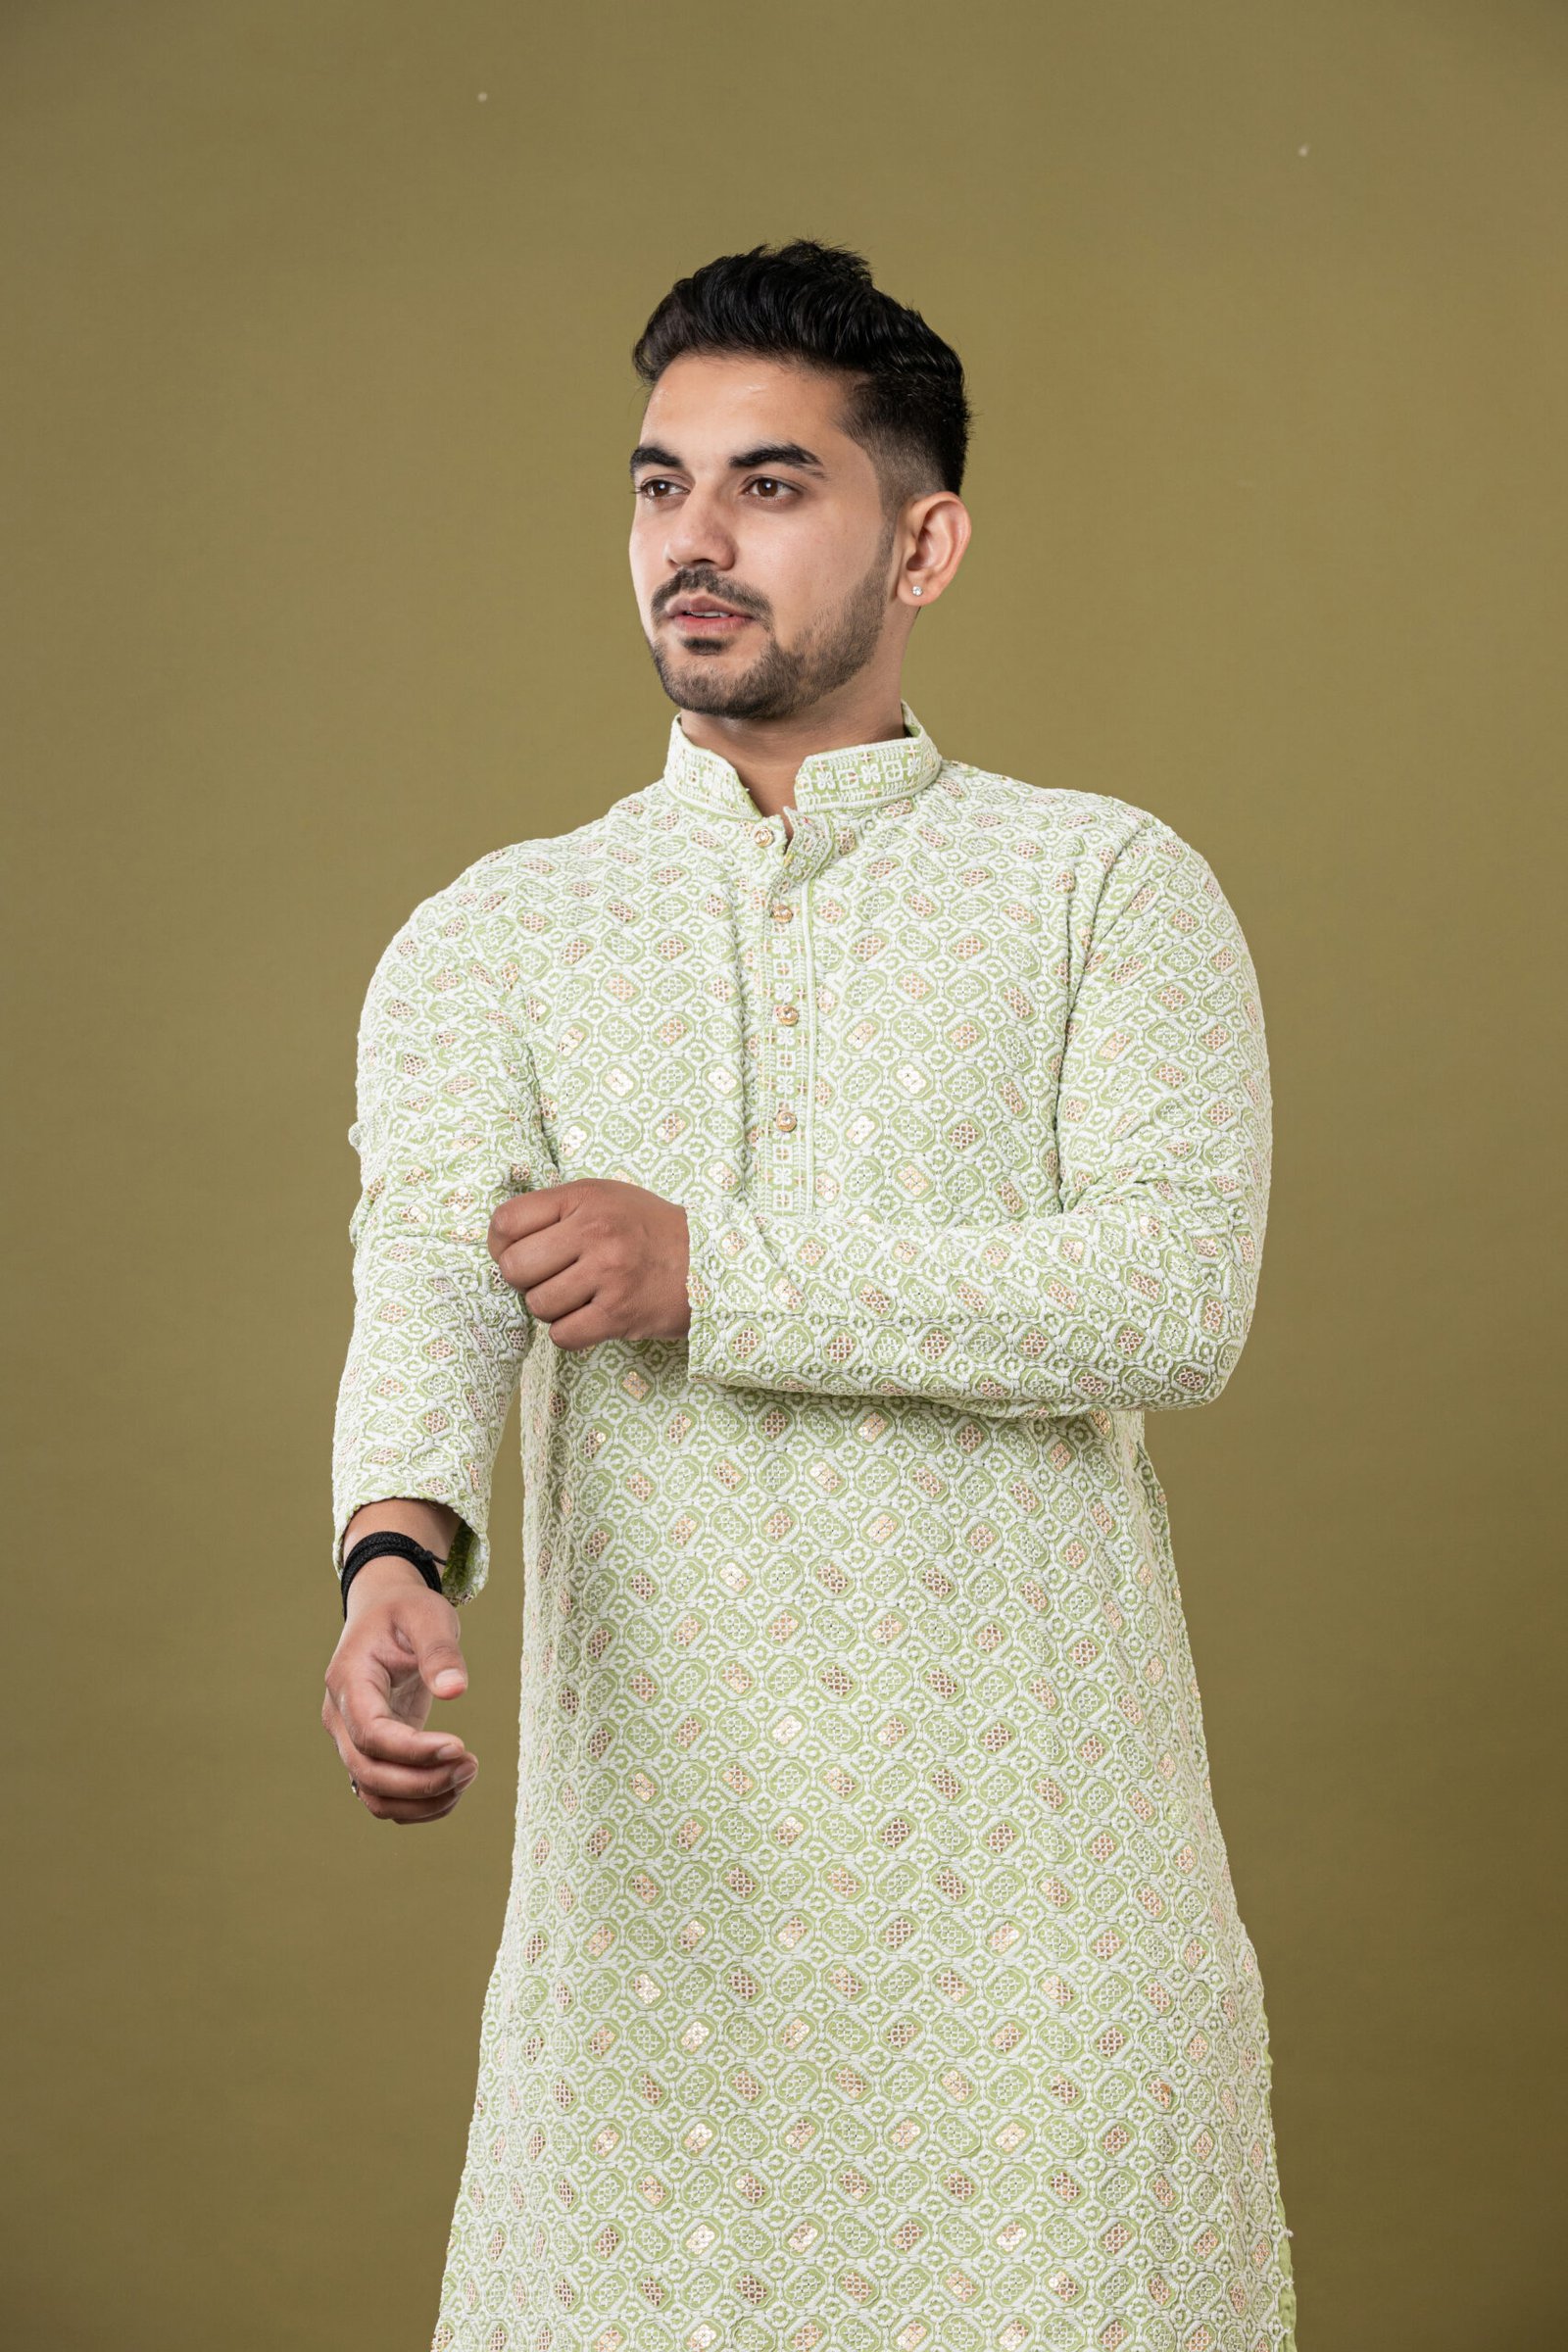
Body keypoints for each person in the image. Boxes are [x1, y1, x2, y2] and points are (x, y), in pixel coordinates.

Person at [322, 237, 1297, 2352]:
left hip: (1044, 1908)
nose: (696, 539)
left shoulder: (1101, 887)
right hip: (660, 1923)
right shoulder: (497, 933)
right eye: (660, 484)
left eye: (771, 486)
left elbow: (1169, 1294)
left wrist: (716, 1268)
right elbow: (428, 1275)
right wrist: (394, 1550)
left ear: (922, 543)